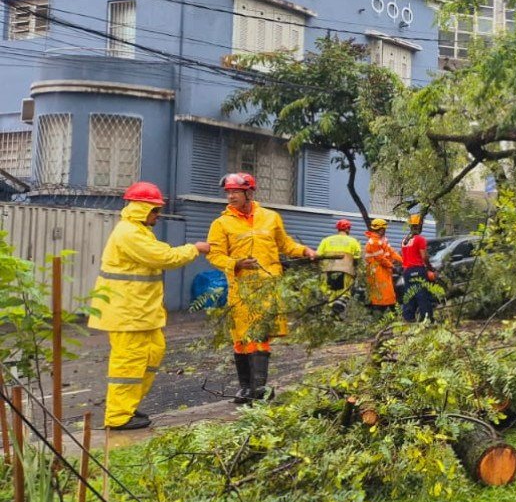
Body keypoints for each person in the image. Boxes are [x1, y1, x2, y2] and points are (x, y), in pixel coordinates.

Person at [87, 182, 211, 431]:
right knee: (129, 363)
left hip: (140, 312)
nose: (158, 215)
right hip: (127, 313)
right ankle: (118, 416)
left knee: (153, 352)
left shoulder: (140, 231)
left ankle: (128, 406)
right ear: (140, 209)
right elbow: (164, 257)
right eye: (154, 210)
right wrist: (194, 249)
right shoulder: (129, 233)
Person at [207, 172, 316, 403]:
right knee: (240, 339)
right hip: (241, 289)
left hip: (268, 287)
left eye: (235, 191)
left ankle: (259, 388)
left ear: (249, 192)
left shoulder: (271, 217)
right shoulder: (221, 224)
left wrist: (305, 251)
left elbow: (284, 244)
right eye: (228, 192)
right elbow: (215, 255)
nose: (230, 196)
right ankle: (245, 388)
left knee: (260, 336)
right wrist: (235, 263)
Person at [315, 218, 364, 316]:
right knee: (343, 294)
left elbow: (318, 255)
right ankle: (336, 314)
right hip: (346, 271)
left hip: (327, 271)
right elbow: (358, 257)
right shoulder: (354, 241)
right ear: (348, 229)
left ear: (337, 229)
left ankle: (327, 316)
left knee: (328, 293)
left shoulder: (326, 240)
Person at [399, 212, 437, 323]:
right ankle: (427, 319)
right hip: (417, 270)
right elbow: (424, 257)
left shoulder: (404, 240)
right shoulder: (420, 239)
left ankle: (408, 318)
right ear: (419, 225)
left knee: (409, 294)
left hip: (407, 271)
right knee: (422, 295)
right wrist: (430, 268)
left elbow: (404, 256)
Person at [363, 217, 403, 312]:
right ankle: (382, 317)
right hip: (377, 271)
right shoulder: (374, 242)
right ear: (380, 230)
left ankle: (392, 315)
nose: (385, 231)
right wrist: (393, 267)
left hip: (384, 270)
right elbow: (381, 259)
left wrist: (403, 261)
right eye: (384, 229)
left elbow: (392, 252)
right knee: (382, 297)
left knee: (388, 295)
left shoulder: (383, 240)